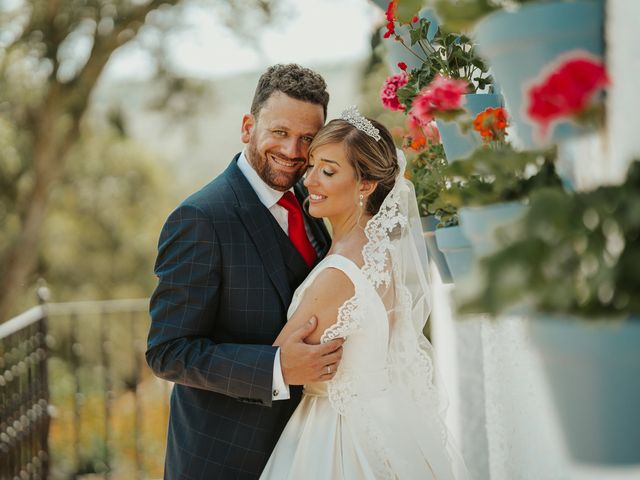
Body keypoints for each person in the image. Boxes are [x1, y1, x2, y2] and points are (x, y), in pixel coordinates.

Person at [146, 64, 344, 479]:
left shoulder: (314, 198)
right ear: (247, 126)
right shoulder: (200, 218)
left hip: (310, 449)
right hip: (226, 459)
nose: (292, 151)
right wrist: (277, 368)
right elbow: (168, 352)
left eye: (307, 138)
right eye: (279, 132)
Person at [260, 107, 469, 479]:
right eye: (311, 168)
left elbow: (280, 361)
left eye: (328, 171)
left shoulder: (338, 274)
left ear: (366, 184)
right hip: (385, 423)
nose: (310, 181)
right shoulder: (380, 256)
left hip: (336, 436)